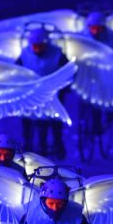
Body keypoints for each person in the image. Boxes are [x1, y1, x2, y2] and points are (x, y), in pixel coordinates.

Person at [14, 28, 70, 158]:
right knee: (27, 117)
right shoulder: (24, 54)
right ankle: (28, 143)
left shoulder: (57, 54)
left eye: (40, 46)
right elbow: (15, 71)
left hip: (52, 92)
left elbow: (68, 71)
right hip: (31, 93)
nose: (38, 49)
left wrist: (64, 86)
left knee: (54, 118)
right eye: (35, 46)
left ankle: (57, 144)